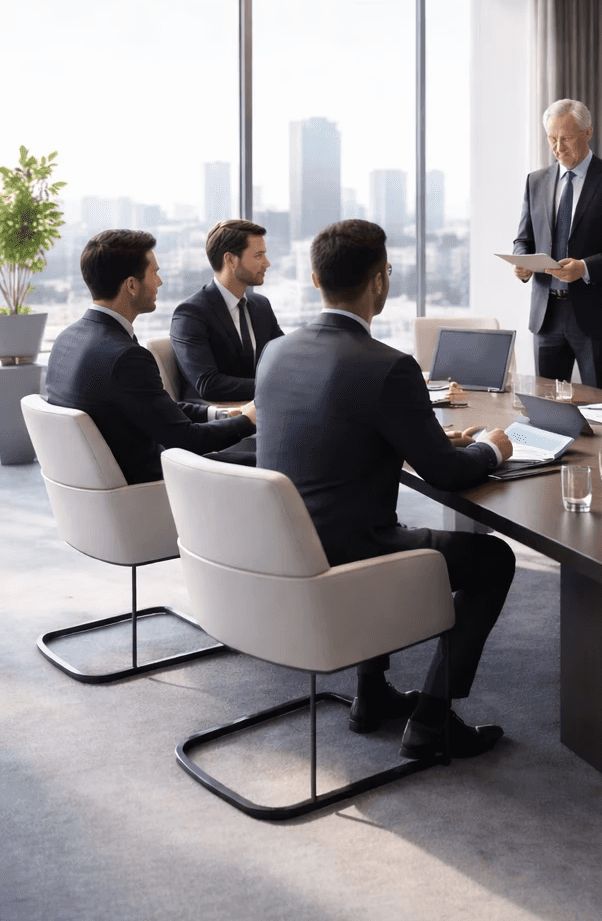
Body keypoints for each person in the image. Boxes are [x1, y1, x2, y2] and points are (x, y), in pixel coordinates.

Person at [256, 219, 517, 761]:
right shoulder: (388, 366)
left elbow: (335, 434)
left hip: (284, 550)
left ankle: (371, 692)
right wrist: (492, 448)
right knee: (493, 558)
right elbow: (445, 474)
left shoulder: (275, 352)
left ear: (315, 279)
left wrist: (425, 438)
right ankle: (433, 720)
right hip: (351, 557)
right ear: (380, 282)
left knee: (370, 518)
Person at [46, 230, 257, 485]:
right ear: (131, 286)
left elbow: (155, 408)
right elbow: (187, 440)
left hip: (102, 486)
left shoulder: (67, 340)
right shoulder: (126, 357)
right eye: (154, 273)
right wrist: (248, 421)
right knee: (275, 464)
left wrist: (221, 414)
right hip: (152, 487)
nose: (160, 282)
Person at [512, 98, 602, 392]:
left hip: (596, 315)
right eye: (552, 138)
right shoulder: (535, 181)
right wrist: (522, 262)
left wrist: (585, 267)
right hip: (546, 315)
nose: (558, 147)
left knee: (601, 406)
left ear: (587, 133)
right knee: (546, 404)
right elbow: (524, 239)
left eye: (566, 138)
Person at [170, 219, 283, 402]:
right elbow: (208, 384)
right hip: (219, 415)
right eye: (258, 255)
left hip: (261, 408)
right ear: (230, 260)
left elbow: (283, 358)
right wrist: (274, 386)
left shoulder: (261, 306)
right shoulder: (190, 314)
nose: (267, 263)